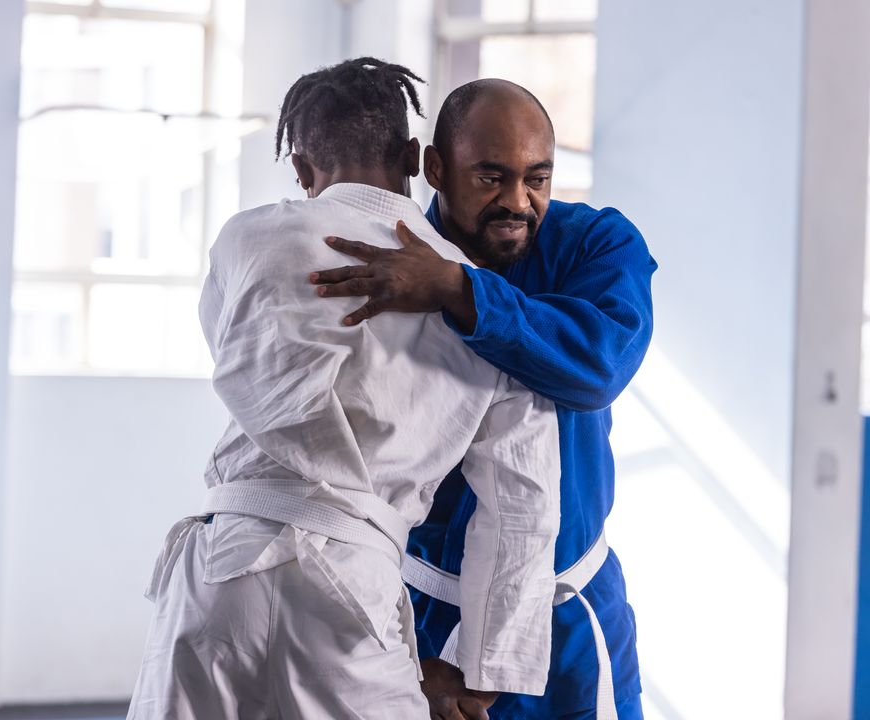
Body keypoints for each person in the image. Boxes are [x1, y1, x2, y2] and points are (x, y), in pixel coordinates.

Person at [126, 61, 562, 720]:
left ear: (301, 168)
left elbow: (237, 353)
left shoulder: (247, 239)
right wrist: (481, 668)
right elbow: (523, 503)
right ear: (417, 159)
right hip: (349, 588)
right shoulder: (484, 302)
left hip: (220, 571)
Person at [309, 79, 658, 719]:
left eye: (538, 179)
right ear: (435, 168)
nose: (517, 202)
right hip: (426, 613)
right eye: (491, 177)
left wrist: (455, 290)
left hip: (570, 613)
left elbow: (599, 365)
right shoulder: (383, 260)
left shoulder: (596, 245)